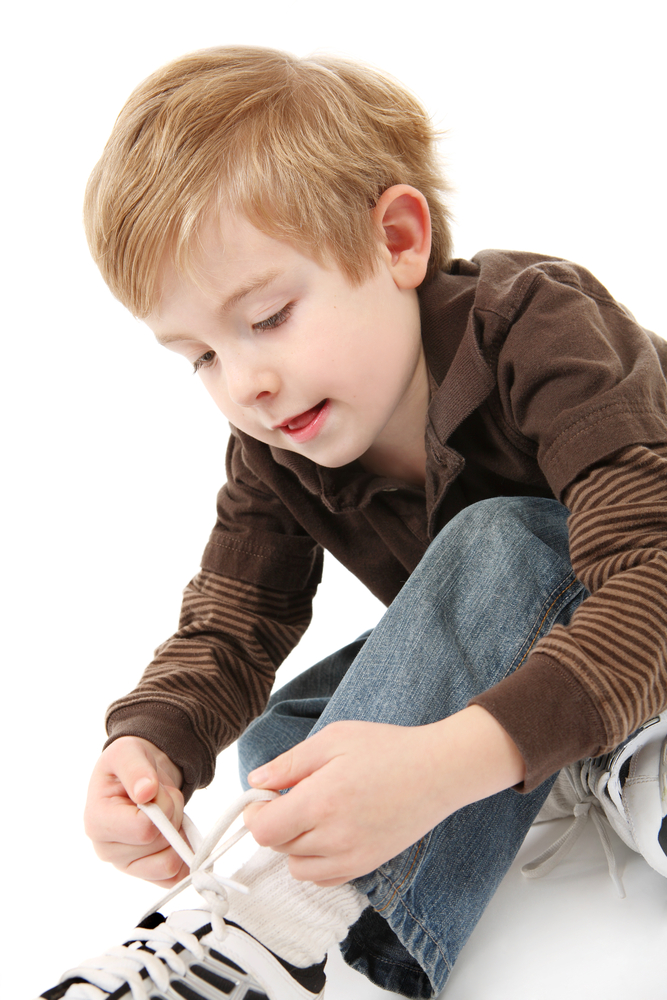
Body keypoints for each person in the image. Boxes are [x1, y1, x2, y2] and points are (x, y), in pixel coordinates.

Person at [39, 45, 667, 1000]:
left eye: (268, 317)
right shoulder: (278, 445)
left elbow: (652, 573)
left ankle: (290, 938)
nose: (244, 383)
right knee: (295, 752)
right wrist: (151, 743)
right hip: (572, 656)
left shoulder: (538, 327)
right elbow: (233, 624)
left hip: (647, 597)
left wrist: (450, 760)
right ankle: (602, 753)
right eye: (199, 356)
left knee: (499, 538)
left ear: (397, 241)